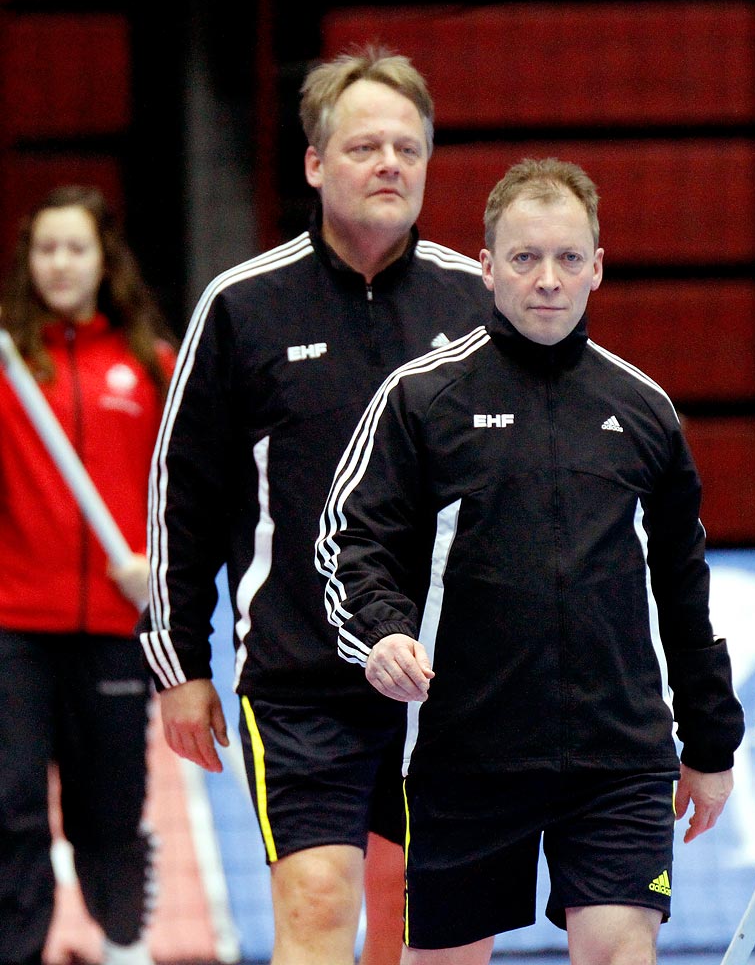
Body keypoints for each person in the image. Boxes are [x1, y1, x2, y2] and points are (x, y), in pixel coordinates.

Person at [314, 157, 745, 964]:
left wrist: (711, 745)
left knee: (621, 952)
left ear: (596, 268)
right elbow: (351, 541)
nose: (547, 280)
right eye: (524, 258)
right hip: (466, 752)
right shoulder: (420, 398)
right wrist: (383, 632)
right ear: (485, 266)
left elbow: (684, 590)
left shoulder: (644, 410)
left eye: (568, 259)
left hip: (618, 758)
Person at [137, 47, 493, 965]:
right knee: (320, 898)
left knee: (437, 930)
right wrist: (179, 663)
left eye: (408, 150)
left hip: (449, 682)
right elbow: (184, 498)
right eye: (366, 146)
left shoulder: (479, 303)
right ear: (313, 163)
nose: (389, 166)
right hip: (301, 676)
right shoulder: (241, 307)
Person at [0, 185, 175, 965]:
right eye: (46, 249)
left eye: (76, 248)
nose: (61, 264)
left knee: (109, 813)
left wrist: (158, 568)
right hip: (14, 630)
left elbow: (190, 489)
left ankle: (121, 945)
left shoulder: (148, 365)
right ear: (27, 261)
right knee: (10, 812)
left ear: (105, 260)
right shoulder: (7, 364)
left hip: (113, 628)